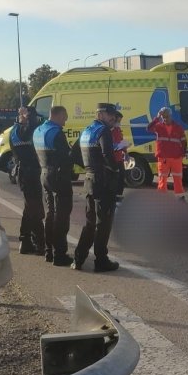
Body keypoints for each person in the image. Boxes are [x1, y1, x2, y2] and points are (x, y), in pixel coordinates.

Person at [74, 103, 121, 272]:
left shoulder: (86, 131)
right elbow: (108, 155)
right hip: (103, 183)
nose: (113, 118)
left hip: (89, 181)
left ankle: (78, 258)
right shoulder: (103, 131)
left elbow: (74, 154)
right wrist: (115, 169)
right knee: (103, 223)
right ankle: (101, 261)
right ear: (100, 114)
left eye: (114, 116)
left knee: (90, 222)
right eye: (110, 115)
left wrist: (89, 168)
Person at [34, 106, 75, 267]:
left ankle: (49, 251)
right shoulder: (56, 132)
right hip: (59, 176)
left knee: (51, 213)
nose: (65, 122)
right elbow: (65, 158)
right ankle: (60, 254)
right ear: (58, 116)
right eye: (64, 117)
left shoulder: (38, 131)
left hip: (44, 174)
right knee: (62, 215)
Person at [8, 106, 45, 255]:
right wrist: (28, 118)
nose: (36, 119)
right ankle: (31, 242)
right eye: (33, 117)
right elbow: (28, 134)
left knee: (32, 208)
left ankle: (31, 242)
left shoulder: (16, 130)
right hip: (28, 173)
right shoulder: (22, 131)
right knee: (33, 209)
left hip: (27, 173)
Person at [147, 103, 188, 201]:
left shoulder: (178, 128)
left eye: (166, 116)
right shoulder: (158, 126)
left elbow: (184, 141)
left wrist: (183, 153)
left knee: (178, 178)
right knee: (162, 179)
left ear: (171, 116)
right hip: (163, 158)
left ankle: (180, 197)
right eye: (163, 117)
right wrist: (157, 117)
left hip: (176, 158)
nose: (165, 119)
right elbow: (148, 128)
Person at [111, 109, 130, 202]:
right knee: (115, 180)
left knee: (121, 178)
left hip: (119, 158)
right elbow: (111, 145)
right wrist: (120, 145)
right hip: (112, 159)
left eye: (120, 121)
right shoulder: (109, 130)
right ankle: (114, 197)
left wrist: (126, 153)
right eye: (118, 121)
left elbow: (121, 141)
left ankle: (118, 196)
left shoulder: (118, 129)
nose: (119, 123)